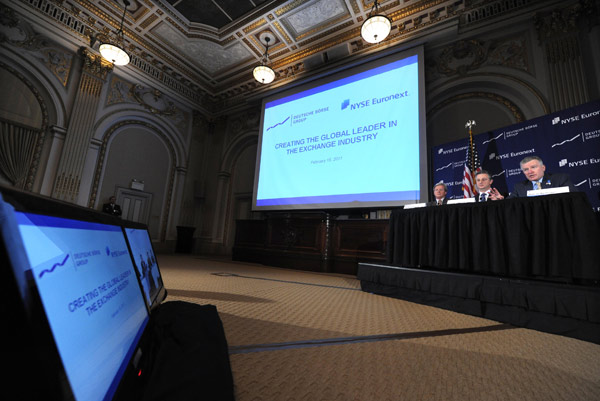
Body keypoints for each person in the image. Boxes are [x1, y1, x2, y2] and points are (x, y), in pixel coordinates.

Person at [505, 155, 575, 198]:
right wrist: (501, 200)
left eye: (533, 167)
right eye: (526, 169)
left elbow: (574, 198)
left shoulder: (560, 179)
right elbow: (510, 203)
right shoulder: (520, 187)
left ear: (543, 168)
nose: (530, 172)